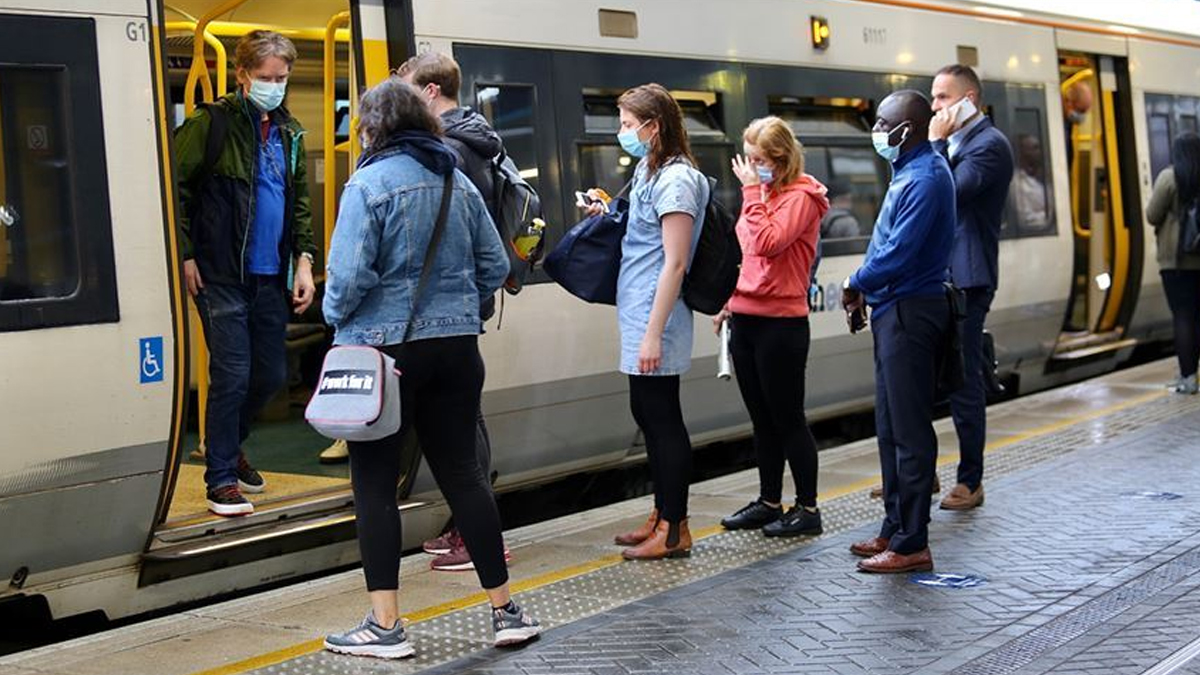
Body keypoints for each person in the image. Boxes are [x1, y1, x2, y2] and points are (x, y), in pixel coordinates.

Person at [320, 79, 539, 658]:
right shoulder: (456, 182)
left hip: (384, 352)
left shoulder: (367, 185)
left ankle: (386, 627)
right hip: (458, 348)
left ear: (374, 129)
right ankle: (506, 612)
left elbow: (344, 282)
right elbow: (496, 265)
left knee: (373, 485)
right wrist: (452, 303)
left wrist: (334, 315)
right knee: (463, 474)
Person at [174, 30, 317, 517]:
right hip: (219, 274)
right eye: (264, 77)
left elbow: (298, 205)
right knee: (232, 374)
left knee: (270, 375)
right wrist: (186, 254)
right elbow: (174, 190)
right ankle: (220, 479)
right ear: (240, 75)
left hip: (270, 275)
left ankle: (230, 445)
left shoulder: (291, 133)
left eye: (281, 78)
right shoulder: (209, 124)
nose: (274, 86)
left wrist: (304, 260)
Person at [394, 51, 514, 573]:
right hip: (464, 299)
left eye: (406, 90)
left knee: (466, 423)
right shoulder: (478, 139)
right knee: (464, 417)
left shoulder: (449, 150)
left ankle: (475, 533)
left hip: (447, 304)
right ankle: (467, 527)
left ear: (430, 93)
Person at [586, 83, 709, 560]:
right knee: (648, 416)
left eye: (626, 124)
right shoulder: (649, 170)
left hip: (657, 316)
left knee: (663, 421)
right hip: (639, 310)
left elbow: (675, 263)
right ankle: (661, 515)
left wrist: (654, 332)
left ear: (653, 127)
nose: (622, 133)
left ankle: (675, 529)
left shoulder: (678, 181)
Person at [843, 90, 955, 574]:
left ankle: (913, 541)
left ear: (906, 129)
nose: (877, 131)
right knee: (890, 426)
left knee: (909, 430)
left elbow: (900, 253)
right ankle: (894, 526)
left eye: (883, 122)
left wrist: (856, 281)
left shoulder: (927, 178)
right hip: (893, 308)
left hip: (912, 310)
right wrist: (865, 290)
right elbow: (884, 243)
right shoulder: (906, 173)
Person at [714, 117, 829, 537]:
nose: (752, 167)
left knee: (788, 418)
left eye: (760, 160)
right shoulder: (765, 194)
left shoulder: (802, 198)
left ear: (781, 160)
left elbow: (768, 243)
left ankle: (808, 508)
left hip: (782, 325)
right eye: (750, 158)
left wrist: (750, 191)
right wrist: (729, 301)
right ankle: (769, 501)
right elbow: (749, 255)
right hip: (746, 318)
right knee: (761, 418)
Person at [928, 64, 1014, 511]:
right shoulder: (958, 143)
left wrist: (936, 144)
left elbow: (947, 195)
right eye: (934, 97)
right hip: (937, 277)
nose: (935, 107)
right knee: (920, 377)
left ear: (970, 99)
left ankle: (971, 480)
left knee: (963, 384)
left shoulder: (989, 146)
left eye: (943, 97)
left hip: (968, 278)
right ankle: (920, 475)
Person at [1146, 132, 1200, 395]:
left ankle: (1188, 378)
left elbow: (1153, 215)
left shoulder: (1169, 177)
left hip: (1176, 262)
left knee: (1183, 317)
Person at [1011, 133, 1053, 230]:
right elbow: (1026, 219)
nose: (1040, 152)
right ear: (1023, 153)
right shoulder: (1015, 183)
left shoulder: (1044, 175)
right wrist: (1051, 213)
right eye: (1035, 148)